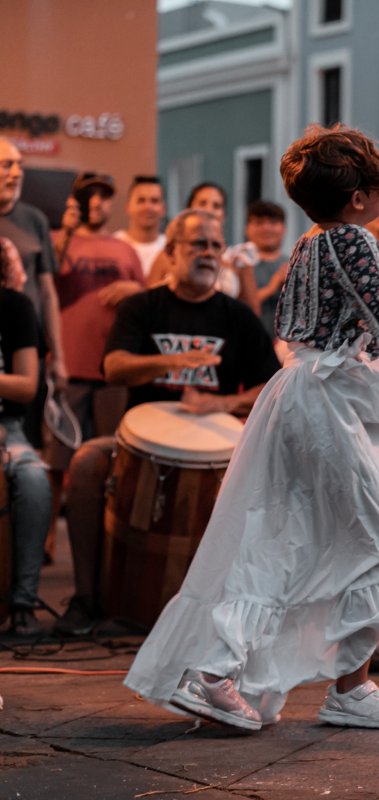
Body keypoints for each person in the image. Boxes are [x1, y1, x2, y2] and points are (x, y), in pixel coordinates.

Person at [123, 125, 379, 731]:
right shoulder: (356, 243)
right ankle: (245, 675)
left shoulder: (311, 242)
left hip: (296, 396)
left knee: (291, 534)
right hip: (325, 406)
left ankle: (313, 680)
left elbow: (301, 325)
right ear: (359, 199)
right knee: (376, 533)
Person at [52, 208, 282, 638]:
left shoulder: (237, 317)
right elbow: (115, 367)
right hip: (139, 441)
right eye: (199, 244)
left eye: (216, 245)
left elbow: (273, 384)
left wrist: (223, 403)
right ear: (172, 252)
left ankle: (238, 603)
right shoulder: (143, 306)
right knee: (85, 462)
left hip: (218, 444)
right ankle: (86, 598)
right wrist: (172, 361)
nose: (210, 253)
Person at [44, 172, 145, 537]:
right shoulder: (58, 240)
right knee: (57, 461)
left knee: (112, 460)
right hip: (68, 366)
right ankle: (47, 540)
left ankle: (106, 536)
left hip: (112, 370)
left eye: (104, 196)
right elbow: (45, 281)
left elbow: (147, 299)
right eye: (91, 196)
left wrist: (134, 287)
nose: (97, 203)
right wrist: (67, 232)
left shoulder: (124, 249)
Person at [0, 136, 68, 438]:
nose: (16, 173)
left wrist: (59, 356)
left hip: (26, 343)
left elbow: (48, 292)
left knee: (27, 436)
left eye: (19, 165)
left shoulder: (35, 220)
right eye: (6, 165)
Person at [0, 258, 53, 636]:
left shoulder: (15, 306)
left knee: (34, 479)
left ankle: (22, 601)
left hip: (8, 427)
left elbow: (26, 386)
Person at [148, 183, 260, 314]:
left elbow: (252, 311)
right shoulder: (169, 254)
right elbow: (150, 301)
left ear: (224, 215)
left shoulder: (238, 259)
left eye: (216, 205)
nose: (209, 210)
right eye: (202, 203)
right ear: (189, 210)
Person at [227, 200, 289, 335]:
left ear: (284, 229)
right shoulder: (236, 264)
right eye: (259, 223)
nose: (266, 228)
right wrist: (271, 288)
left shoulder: (294, 264)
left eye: (273, 222)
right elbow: (233, 306)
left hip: (287, 347)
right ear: (247, 228)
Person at [115, 176, 167, 276]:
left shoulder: (171, 248)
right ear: (127, 207)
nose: (148, 207)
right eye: (141, 200)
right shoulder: (112, 245)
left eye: (154, 201)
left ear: (164, 209)